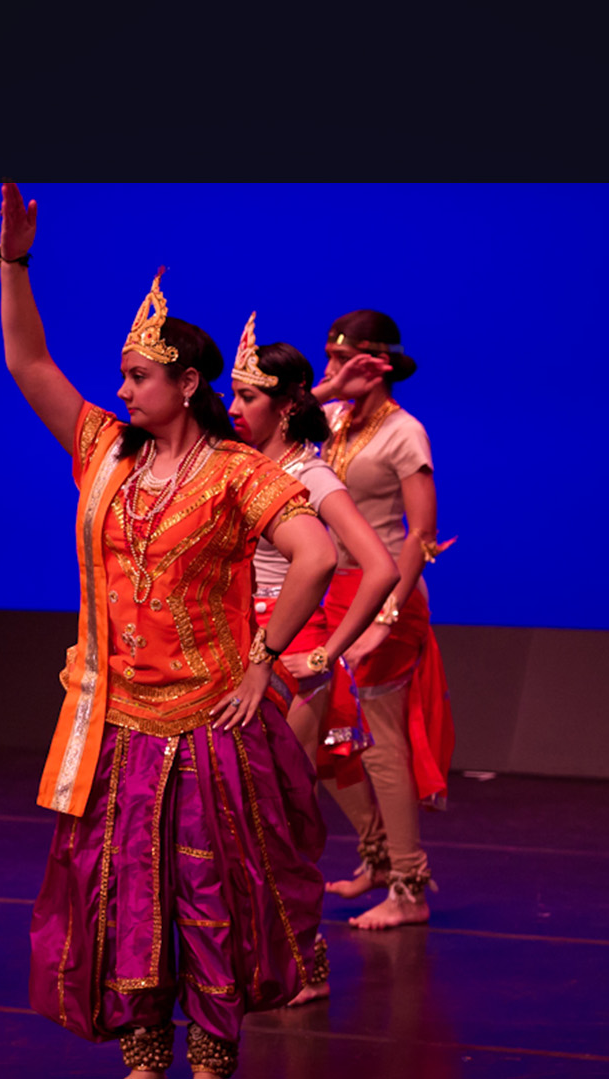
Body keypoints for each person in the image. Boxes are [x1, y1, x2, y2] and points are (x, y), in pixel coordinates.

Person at [0, 185, 336, 1079]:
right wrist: (14, 261)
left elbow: (317, 553)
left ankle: (212, 1062)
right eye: (121, 375)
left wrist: (263, 662)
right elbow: (29, 364)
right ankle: (145, 1062)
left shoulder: (235, 472)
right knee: (125, 907)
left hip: (208, 727)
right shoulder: (105, 452)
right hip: (117, 726)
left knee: (211, 904)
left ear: (187, 384)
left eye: (137, 376)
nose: (120, 389)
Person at [225, 313, 401, 1004]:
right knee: (239, 813)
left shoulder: (310, 473)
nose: (233, 408)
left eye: (247, 397)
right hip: (237, 646)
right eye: (233, 395)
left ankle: (305, 962)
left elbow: (379, 565)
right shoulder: (242, 462)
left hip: (291, 650)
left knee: (280, 815)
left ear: (282, 405)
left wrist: (328, 652)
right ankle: (259, 954)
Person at [307, 309, 456, 930]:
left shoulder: (404, 433)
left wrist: (385, 619)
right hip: (336, 593)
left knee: (382, 746)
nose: (332, 369)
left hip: (389, 594)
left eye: (343, 360)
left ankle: (408, 887)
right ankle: (376, 855)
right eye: (329, 358)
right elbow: (275, 424)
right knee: (325, 733)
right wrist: (331, 389)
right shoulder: (334, 421)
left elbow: (421, 534)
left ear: (379, 364)